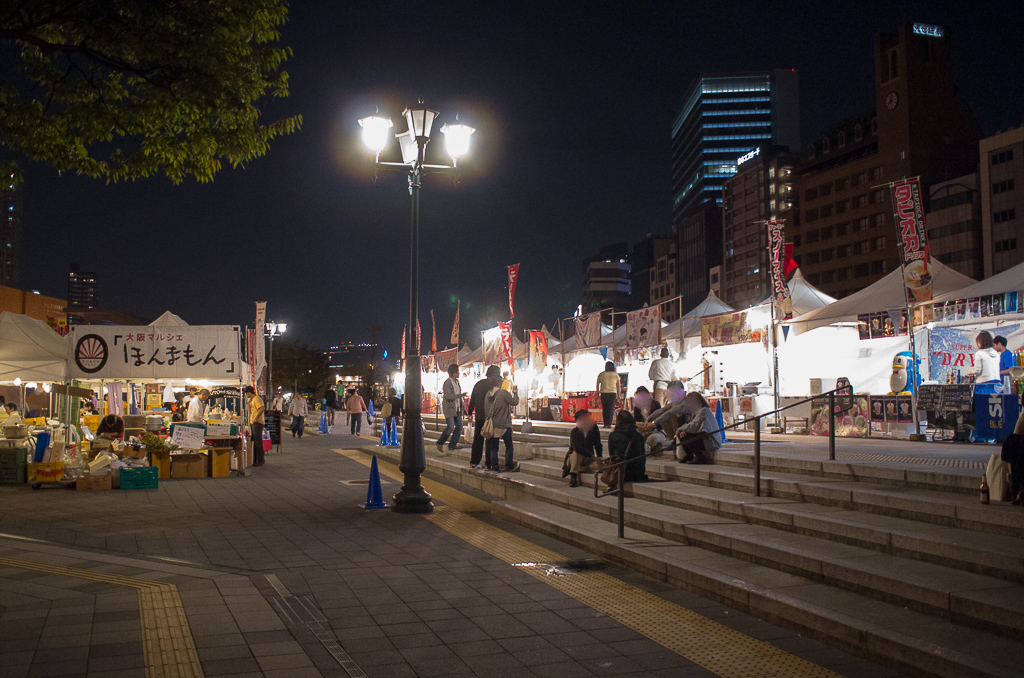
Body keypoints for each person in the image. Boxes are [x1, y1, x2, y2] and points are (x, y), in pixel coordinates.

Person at [484, 371, 520, 473]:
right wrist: (515, 393)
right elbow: (514, 402)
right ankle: (509, 465)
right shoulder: (503, 393)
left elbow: (485, 409)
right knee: (509, 446)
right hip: (504, 424)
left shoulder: (488, 394)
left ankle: (495, 467)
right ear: (500, 383)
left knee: (494, 447)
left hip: (492, 425)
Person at [674, 392, 721, 464]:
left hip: (712, 441)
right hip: (707, 438)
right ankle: (689, 455)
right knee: (684, 434)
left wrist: (680, 429)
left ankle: (699, 456)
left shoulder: (704, 411)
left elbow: (693, 426)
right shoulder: (698, 412)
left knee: (685, 436)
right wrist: (684, 431)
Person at [606, 409, 648, 490]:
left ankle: (610, 485)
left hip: (620, 472)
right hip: (637, 472)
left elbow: (611, 454)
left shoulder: (613, 435)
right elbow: (643, 456)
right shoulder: (638, 436)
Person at [467, 366, 500, 469]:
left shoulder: (478, 384)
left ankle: (474, 462)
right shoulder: (494, 386)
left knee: (478, 439)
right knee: (490, 439)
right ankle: (488, 463)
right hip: (490, 417)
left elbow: (472, 399)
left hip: (479, 416)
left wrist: (469, 412)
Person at [564, 410, 602, 488]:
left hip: (588, 459)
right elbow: (577, 448)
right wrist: (593, 457)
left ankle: (581, 468)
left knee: (602, 467)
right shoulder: (575, 432)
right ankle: (573, 476)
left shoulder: (594, 429)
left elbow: (598, 444)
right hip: (574, 458)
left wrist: (599, 457)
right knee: (577, 453)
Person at [436, 364, 464, 455]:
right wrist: (460, 395)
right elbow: (448, 396)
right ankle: (440, 442)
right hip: (449, 408)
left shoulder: (457, 382)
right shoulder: (447, 383)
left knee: (459, 426)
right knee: (450, 427)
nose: (459, 373)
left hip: (457, 408)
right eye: (458, 371)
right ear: (454, 373)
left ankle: (452, 444)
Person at [244, 386, 266, 467]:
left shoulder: (257, 399)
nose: (246, 395)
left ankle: (260, 460)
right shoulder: (252, 400)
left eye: (246, 393)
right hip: (253, 422)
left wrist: (256, 418)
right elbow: (250, 411)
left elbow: (262, 409)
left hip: (257, 422)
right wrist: (248, 404)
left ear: (249, 393)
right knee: (255, 441)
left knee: (258, 441)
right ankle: (255, 459)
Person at [596, 361, 621, 428]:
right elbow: (618, 386)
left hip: (604, 393)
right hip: (612, 393)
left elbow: (597, 385)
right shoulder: (616, 375)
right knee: (610, 408)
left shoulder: (601, 374)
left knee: (605, 408)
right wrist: (619, 395)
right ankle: (609, 423)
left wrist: (597, 394)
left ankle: (605, 423)